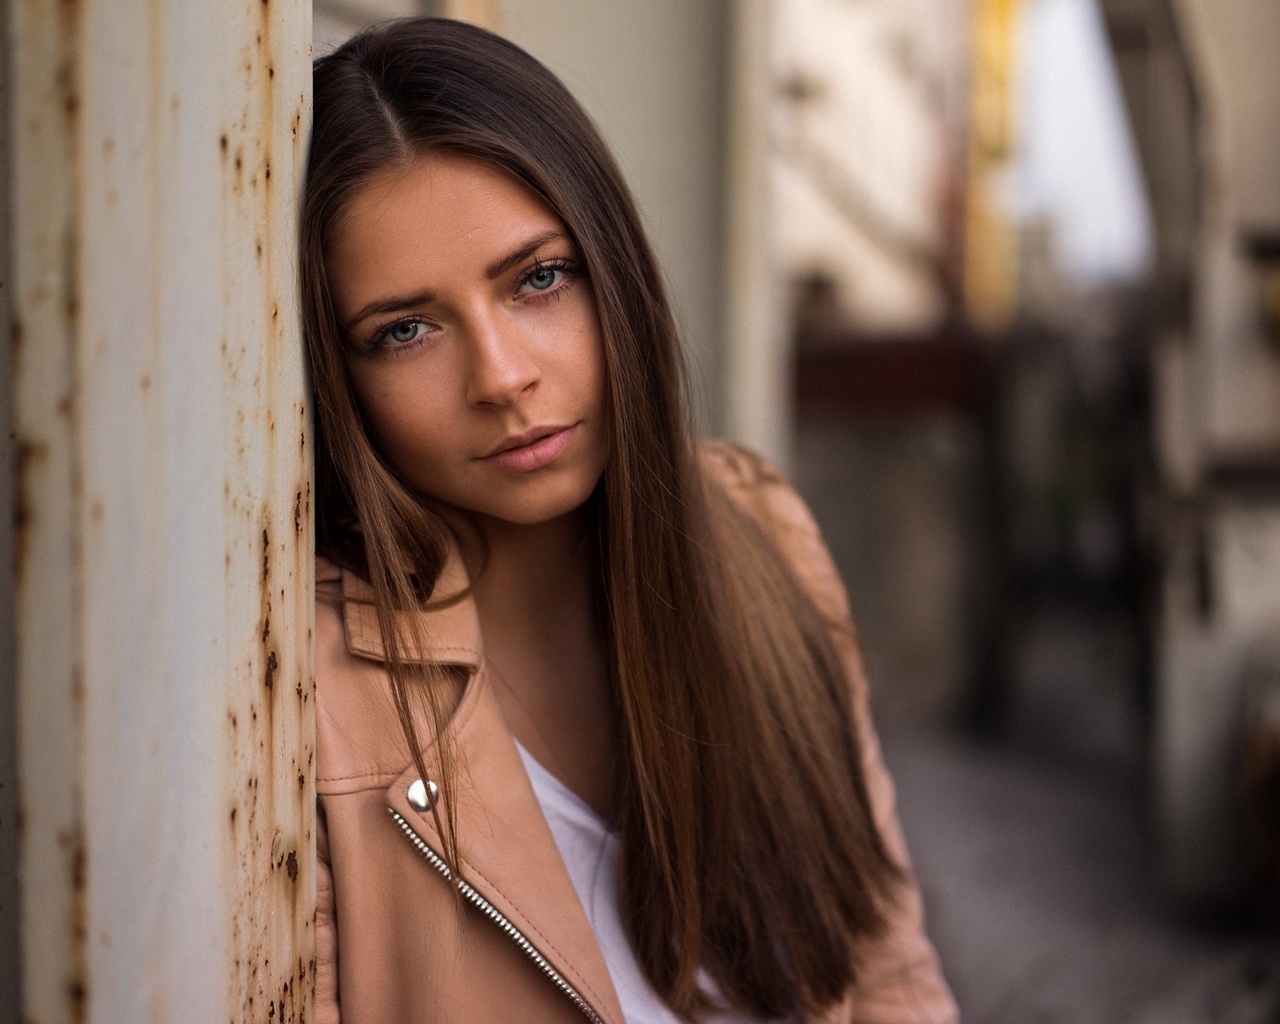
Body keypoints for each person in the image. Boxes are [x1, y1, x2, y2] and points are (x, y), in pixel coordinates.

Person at [303, 16, 957, 1024]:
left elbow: (887, 976)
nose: (502, 375)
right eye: (404, 330)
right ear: (337, 373)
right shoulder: (315, 698)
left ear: (615, 268)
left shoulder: (764, 538)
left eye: (538, 277)